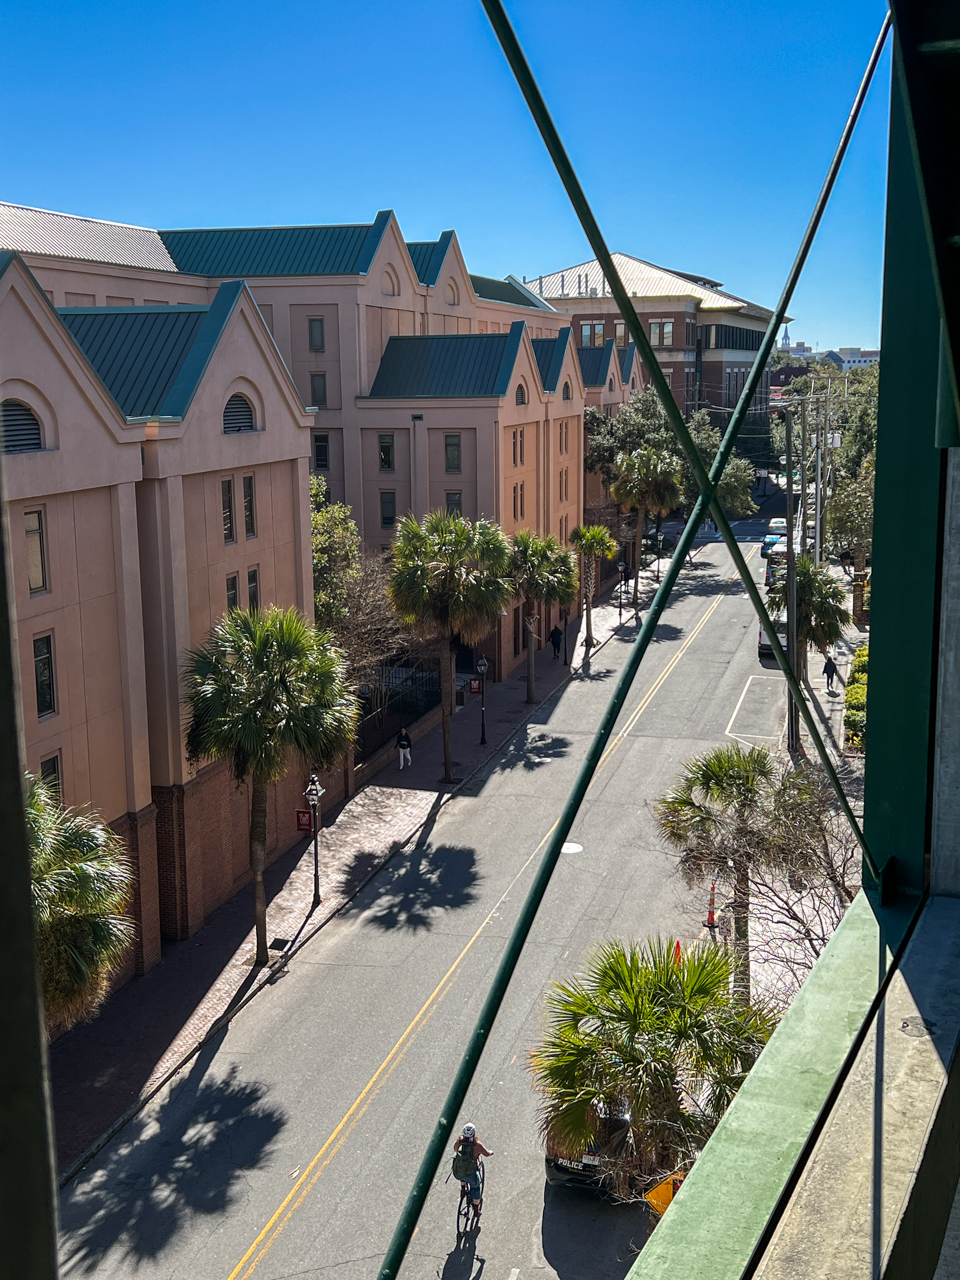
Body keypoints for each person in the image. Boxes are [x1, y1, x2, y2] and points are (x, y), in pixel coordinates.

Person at [453, 1122, 492, 1212]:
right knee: (475, 1188)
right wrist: (491, 1152)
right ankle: (476, 1210)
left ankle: (463, 1189)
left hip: (458, 1172)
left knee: (462, 1172)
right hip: (470, 1173)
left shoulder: (459, 1141)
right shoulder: (477, 1144)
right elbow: (486, 1154)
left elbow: (455, 1149)